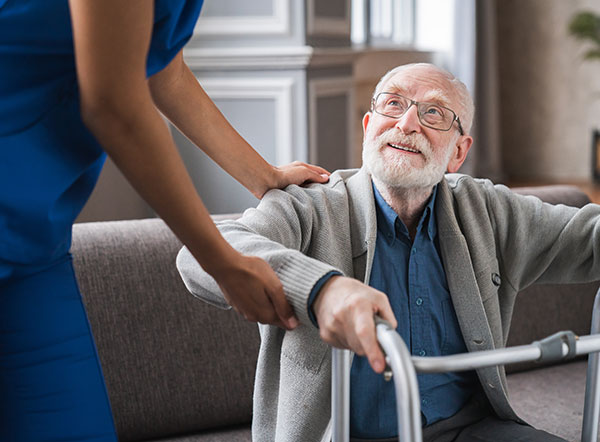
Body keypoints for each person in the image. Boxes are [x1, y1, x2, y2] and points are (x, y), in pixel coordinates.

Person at [176, 62, 600, 442]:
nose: (408, 122)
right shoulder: (309, 205)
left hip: (471, 429)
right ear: (368, 126)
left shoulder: (485, 209)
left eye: (433, 112)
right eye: (393, 104)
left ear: (458, 152)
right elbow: (200, 255)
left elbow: (588, 237)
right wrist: (321, 289)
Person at [0, 0, 329, 440]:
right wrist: (221, 260)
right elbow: (114, 105)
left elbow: (162, 69)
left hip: (34, 242)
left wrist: (263, 176)